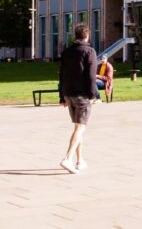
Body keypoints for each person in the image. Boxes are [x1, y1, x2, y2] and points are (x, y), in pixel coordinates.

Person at [58, 23, 97, 174]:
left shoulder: (67, 52)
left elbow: (61, 74)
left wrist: (61, 96)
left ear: (75, 35)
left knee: (77, 127)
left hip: (68, 94)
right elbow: (91, 76)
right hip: (82, 95)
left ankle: (80, 160)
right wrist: (93, 95)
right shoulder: (89, 51)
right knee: (81, 127)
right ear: (87, 36)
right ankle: (67, 158)